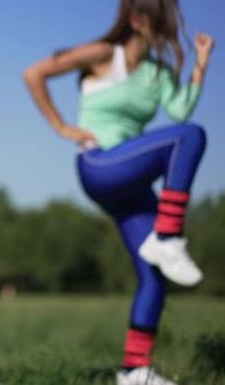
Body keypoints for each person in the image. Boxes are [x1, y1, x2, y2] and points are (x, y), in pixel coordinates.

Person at [23, 0, 214, 384]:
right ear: (137, 20)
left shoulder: (159, 74)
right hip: (101, 166)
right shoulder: (103, 54)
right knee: (189, 138)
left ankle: (134, 371)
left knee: (153, 275)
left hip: (132, 183)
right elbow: (35, 73)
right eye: (161, 22)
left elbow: (179, 111)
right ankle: (170, 234)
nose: (167, 31)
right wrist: (62, 126)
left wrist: (200, 65)